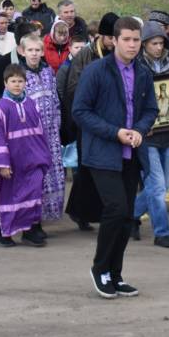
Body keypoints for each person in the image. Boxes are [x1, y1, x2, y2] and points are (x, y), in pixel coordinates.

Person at [74, 17, 157, 299]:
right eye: (127, 40)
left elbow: (150, 109)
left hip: (131, 154)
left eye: (136, 40)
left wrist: (139, 131)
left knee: (126, 216)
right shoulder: (96, 71)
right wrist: (115, 132)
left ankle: (116, 273)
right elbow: (80, 111)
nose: (132, 45)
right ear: (114, 40)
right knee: (116, 209)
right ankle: (100, 269)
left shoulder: (143, 72)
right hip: (103, 153)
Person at [59, 13, 117, 230]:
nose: (114, 42)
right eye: (111, 37)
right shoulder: (85, 55)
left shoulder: (121, 54)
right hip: (88, 122)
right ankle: (80, 212)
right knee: (87, 167)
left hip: (113, 123)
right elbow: (73, 89)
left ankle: (97, 211)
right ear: (101, 36)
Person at [0, 64, 51, 247]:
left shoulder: (31, 104)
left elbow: (40, 132)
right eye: (13, 81)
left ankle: (29, 231)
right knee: (9, 197)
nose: (17, 85)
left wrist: (43, 157)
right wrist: (2, 164)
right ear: (5, 83)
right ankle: (4, 232)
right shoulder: (0, 109)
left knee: (33, 194)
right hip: (11, 164)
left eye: (20, 81)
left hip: (32, 160)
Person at [133, 21, 169, 249]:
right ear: (144, 44)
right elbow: (133, 102)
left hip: (168, 132)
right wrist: (140, 125)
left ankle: (128, 216)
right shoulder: (136, 67)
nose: (157, 47)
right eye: (153, 43)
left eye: (160, 43)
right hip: (147, 134)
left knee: (159, 185)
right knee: (157, 185)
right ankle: (162, 232)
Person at [14, 30, 65, 226]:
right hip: (29, 137)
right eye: (30, 50)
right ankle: (31, 220)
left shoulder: (48, 72)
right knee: (33, 177)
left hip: (51, 135)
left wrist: (58, 126)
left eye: (37, 50)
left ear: (43, 52)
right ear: (22, 51)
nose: (34, 54)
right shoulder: (18, 75)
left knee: (51, 175)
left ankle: (44, 216)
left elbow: (56, 101)